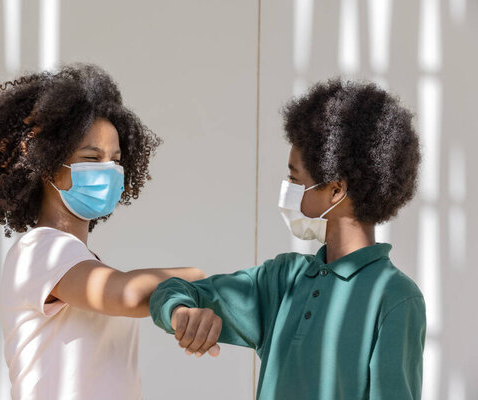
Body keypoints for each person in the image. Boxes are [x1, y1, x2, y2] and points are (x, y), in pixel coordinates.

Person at [149, 79, 426, 400]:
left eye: (295, 178)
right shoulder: (283, 279)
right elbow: (172, 290)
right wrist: (182, 312)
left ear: (336, 189)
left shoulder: (396, 298)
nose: (287, 186)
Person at [0, 64, 205, 400]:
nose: (108, 170)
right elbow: (126, 293)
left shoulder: (77, 259)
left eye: (115, 160)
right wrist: (202, 278)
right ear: (46, 166)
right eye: (92, 157)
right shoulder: (40, 250)